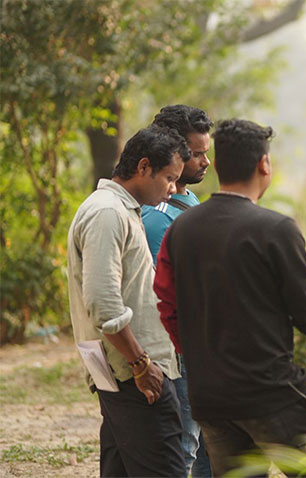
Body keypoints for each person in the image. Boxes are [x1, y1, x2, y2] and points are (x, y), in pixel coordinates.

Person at [153, 118, 306, 476]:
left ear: (218, 164)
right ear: (264, 164)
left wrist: (196, 353)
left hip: (210, 396)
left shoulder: (182, 229)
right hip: (270, 391)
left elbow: (166, 302)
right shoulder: (276, 229)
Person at [67, 125, 189, 477]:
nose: (172, 189)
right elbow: (103, 302)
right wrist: (140, 363)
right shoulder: (107, 213)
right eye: (169, 178)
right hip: (135, 376)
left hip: (127, 373)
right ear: (144, 167)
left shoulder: (123, 210)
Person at [141, 104, 214, 478]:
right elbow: (162, 295)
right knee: (184, 448)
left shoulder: (187, 200)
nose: (206, 162)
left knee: (209, 450)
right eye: (196, 154)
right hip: (179, 351)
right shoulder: (156, 217)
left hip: (202, 347)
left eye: (206, 152)